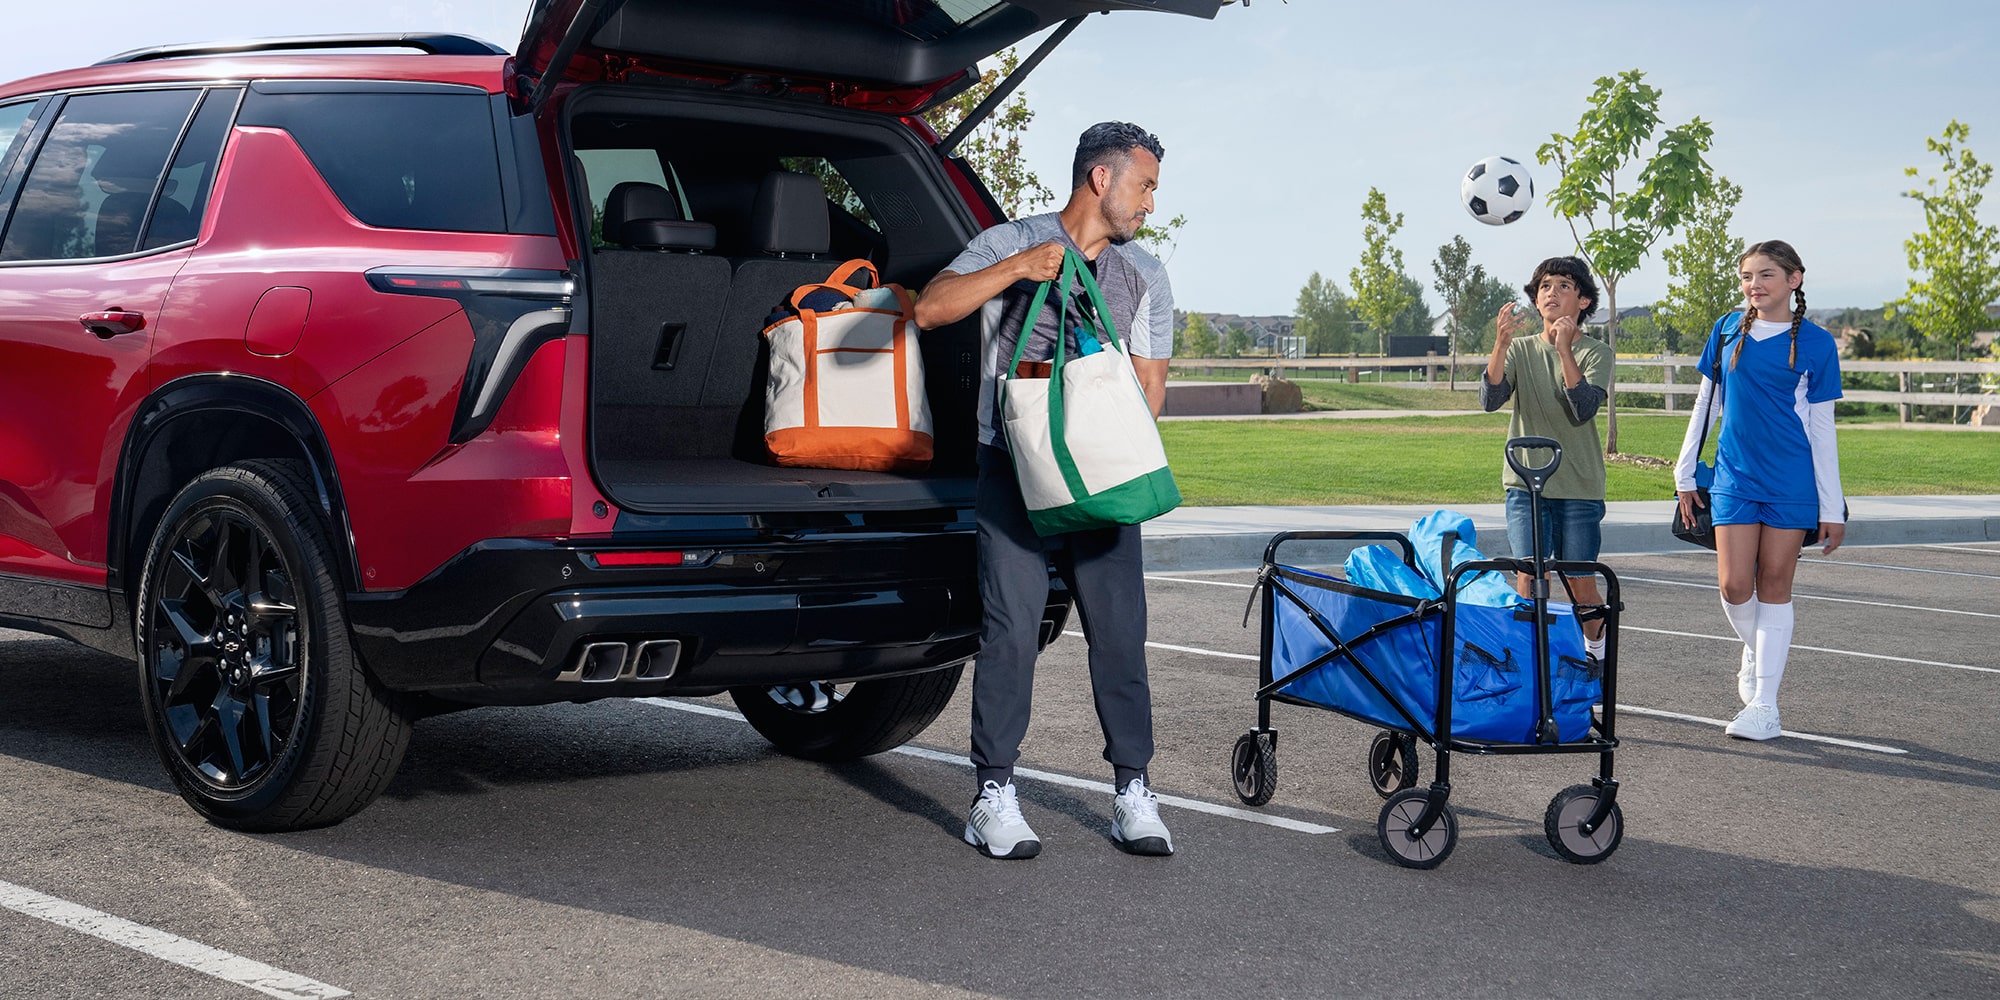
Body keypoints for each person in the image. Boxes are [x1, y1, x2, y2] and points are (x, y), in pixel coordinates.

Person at [912, 122, 1176, 860]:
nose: (1151, 203)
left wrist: (1092, 438)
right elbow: (930, 309)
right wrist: (1021, 268)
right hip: (1011, 468)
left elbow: (1149, 390)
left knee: (1121, 637)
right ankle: (993, 793)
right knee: (1010, 631)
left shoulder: (1145, 274)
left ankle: (1133, 790)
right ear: (1101, 178)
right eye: (1145, 185)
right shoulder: (1009, 242)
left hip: (1101, 478)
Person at [1674, 240, 1846, 741]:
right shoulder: (1727, 329)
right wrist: (1686, 472)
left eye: (1766, 275)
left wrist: (1831, 507)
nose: (1755, 285)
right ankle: (1756, 648)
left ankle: (1765, 707)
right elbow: (1705, 403)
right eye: (1748, 276)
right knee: (1733, 585)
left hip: (1791, 482)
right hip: (1733, 476)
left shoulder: (1817, 343)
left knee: (1774, 584)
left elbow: (1822, 429)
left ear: (1794, 280)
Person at [1480, 256, 1614, 663]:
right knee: (1529, 572)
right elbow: (1490, 400)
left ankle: (1595, 655)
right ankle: (1528, 661)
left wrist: (1563, 350)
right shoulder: (1519, 349)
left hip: (1578, 486)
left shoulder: (1597, 352)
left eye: (1564, 286)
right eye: (1544, 287)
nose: (1551, 293)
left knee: (1580, 580)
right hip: (1525, 483)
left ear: (1584, 302)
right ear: (1536, 302)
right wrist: (1501, 345)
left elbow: (1583, 407)